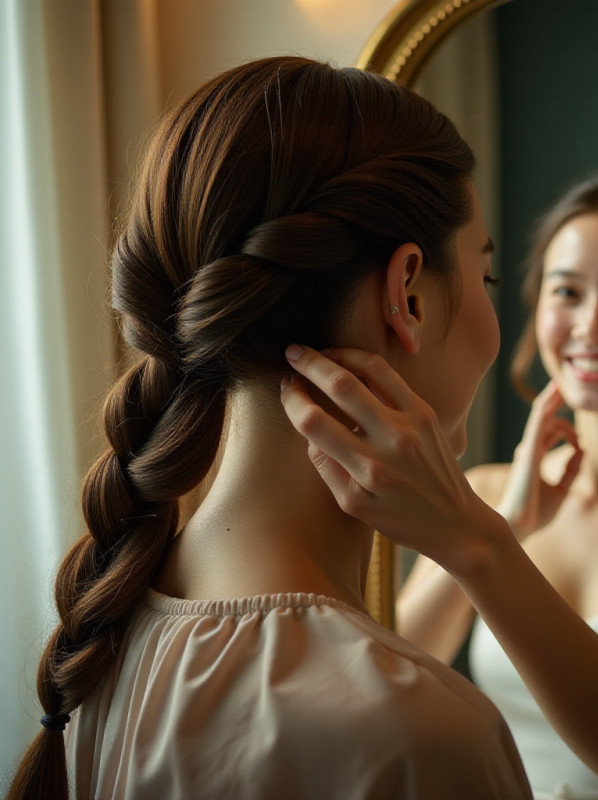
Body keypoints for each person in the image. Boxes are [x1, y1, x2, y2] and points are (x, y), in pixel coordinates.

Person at [6, 57, 533, 800]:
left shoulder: (108, 642)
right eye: (485, 277)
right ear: (406, 294)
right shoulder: (418, 734)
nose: (494, 319)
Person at [280, 172, 598, 800]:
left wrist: (482, 543)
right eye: (566, 292)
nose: (592, 325)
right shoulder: (481, 495)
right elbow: (384, 676)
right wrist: (503, 525)